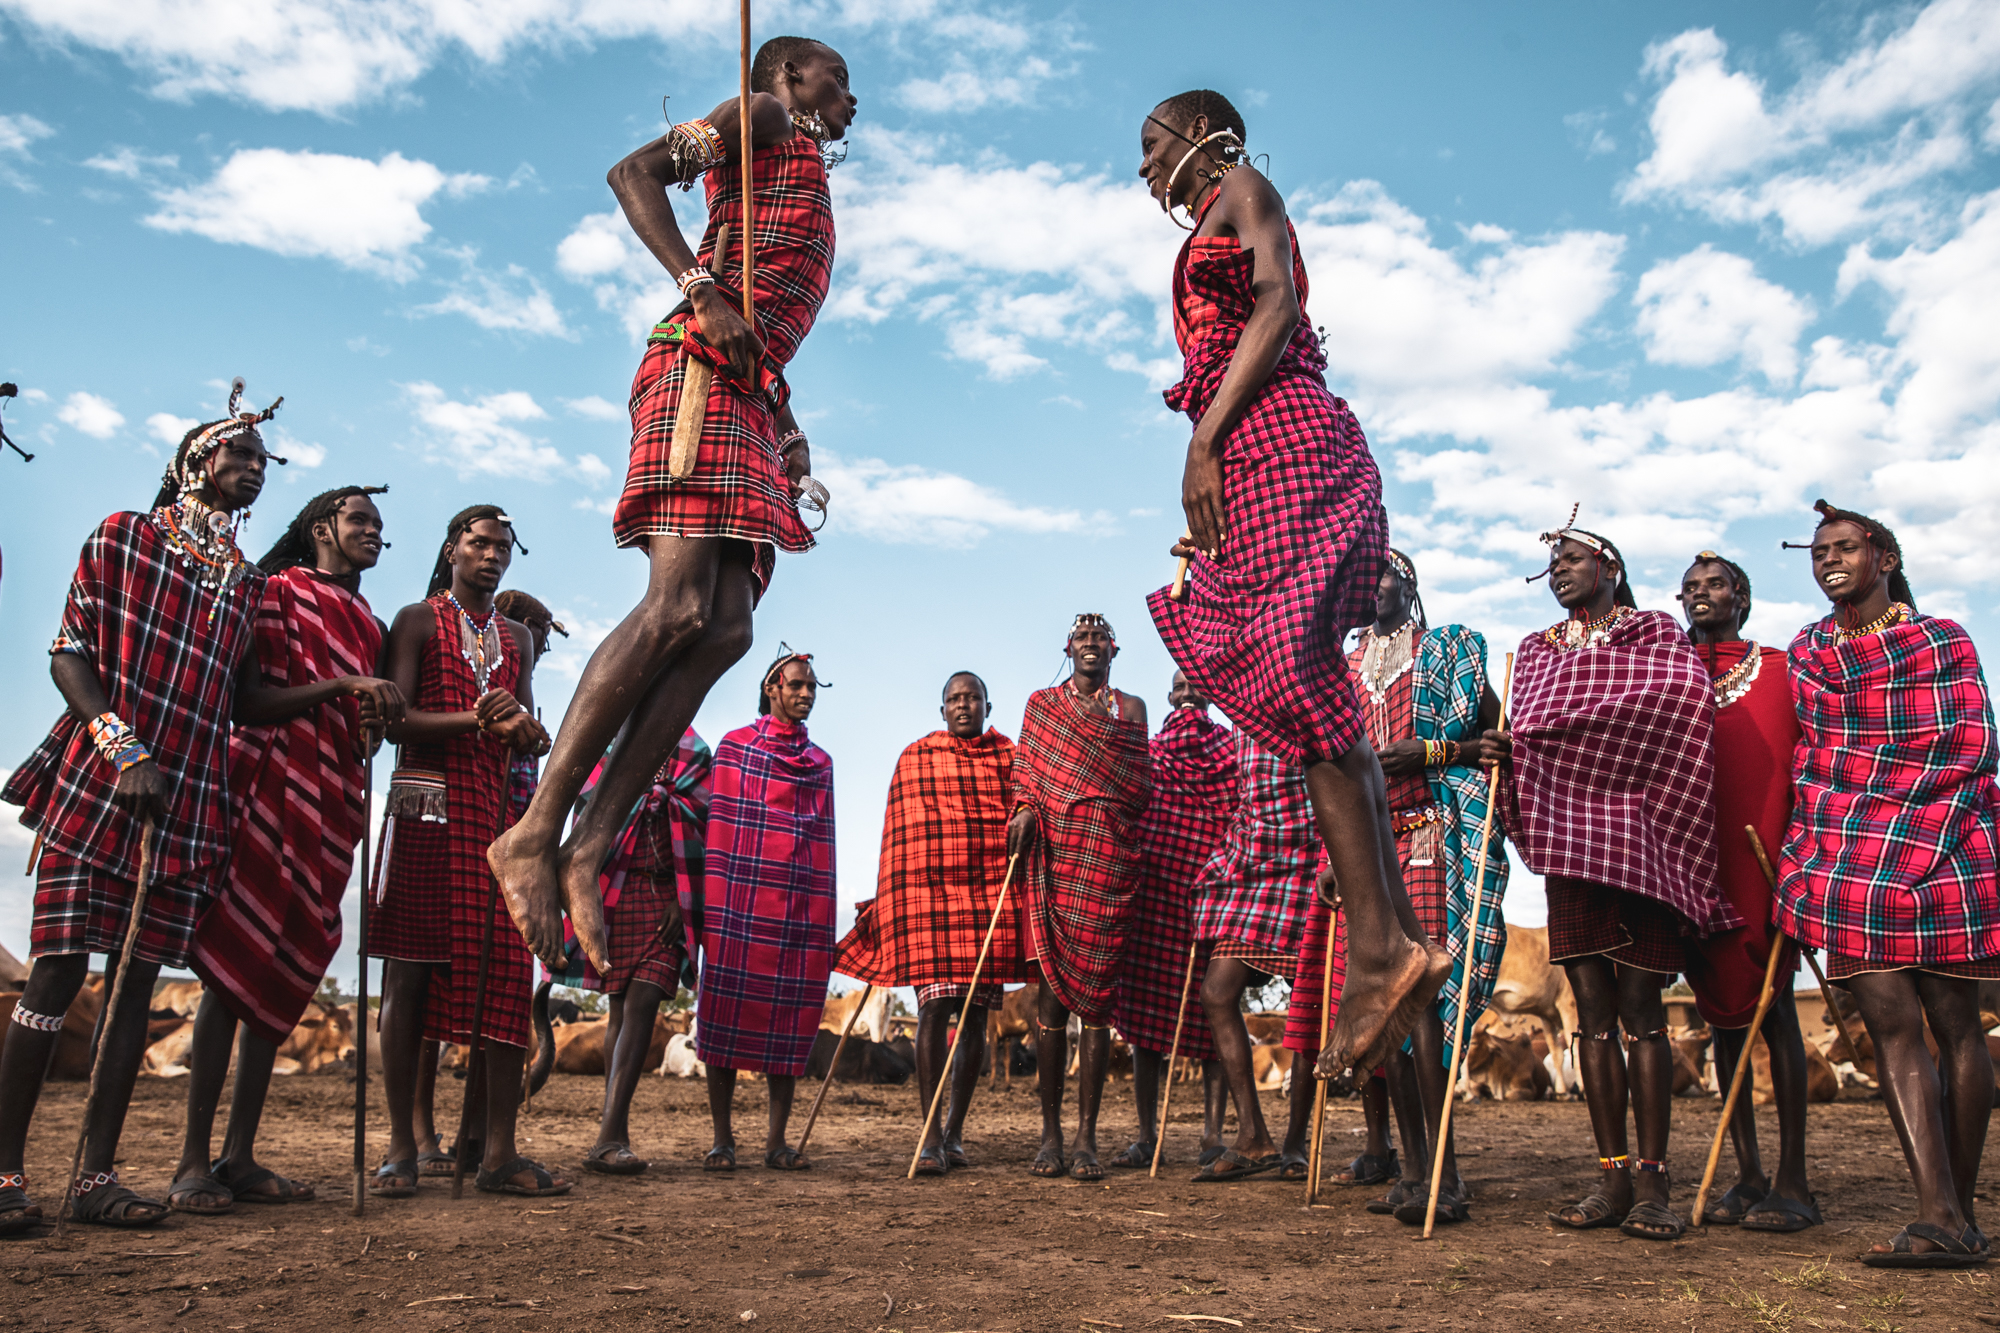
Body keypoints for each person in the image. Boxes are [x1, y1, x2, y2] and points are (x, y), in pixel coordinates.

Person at [488, 37, 857, 980]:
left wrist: (786, 412)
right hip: (694, 366)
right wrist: (700, 288)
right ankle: (534, 832)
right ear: (785, 78)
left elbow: (761, 319)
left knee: (727, 628)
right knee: (679, 604)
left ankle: (589, 842)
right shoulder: (761, 117)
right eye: (836, 78)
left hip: (745, 388)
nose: (850, 97)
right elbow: (632, 172)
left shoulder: (800, 161)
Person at [1138, 89, 1446, 1080]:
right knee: (1303, 687)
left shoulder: (1242, 186)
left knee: (1281, 667)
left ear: (1197, 136)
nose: (1143, 170)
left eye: (1151, 148)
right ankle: (1388, 940)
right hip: (1255, 443)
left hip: (1274, 436)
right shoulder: (1215, 210)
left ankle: (1380, 949)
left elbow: (1276, 303)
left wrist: (1203, 435)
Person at [1, 383, 284, 1231]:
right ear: (192, 463)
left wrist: (343, 694)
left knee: (134, 987)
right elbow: (68, 653)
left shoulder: (246, 582)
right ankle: (5, 1172)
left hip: (190, 797)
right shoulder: (122, 536)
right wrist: (123, 747)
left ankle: (93, 1179)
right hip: (102, 781)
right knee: (58, 970)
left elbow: (243, 699)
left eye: (263, 463)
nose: (252, 471)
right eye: (238, 455)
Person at [1485, 516, 1734, 1242]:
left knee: (1642, 1012)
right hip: (1569, 849)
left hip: (1642, 845)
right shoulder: (1535, 650)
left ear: (1611, 568)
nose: (1558, 570)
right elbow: (1533, 724)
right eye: (1551, 563)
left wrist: (1567, 735)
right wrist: (1515, 742)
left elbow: (1677, 707)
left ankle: (1655, 1182)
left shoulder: (1655, 635)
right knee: (1591, 1014)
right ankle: (1611, 1175)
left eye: (1571, 558)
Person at [168, 486, 409, 1215]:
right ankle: (189, 1161)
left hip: (330, 801)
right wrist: (342, 683)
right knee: (231, 967)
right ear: (321, 528)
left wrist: (371, 715)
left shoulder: (368, 619)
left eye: (378, 525)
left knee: (276, 974)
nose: (372, 532)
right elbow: (248, 702)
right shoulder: (276, 592)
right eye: (359, 519)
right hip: (270, 787)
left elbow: (371, 724)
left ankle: (238, 1154)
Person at [1777, 501, 2000, 1267]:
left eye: (1843, 546)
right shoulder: (1808, 652)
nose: (1828, 559)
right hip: (1846, 851)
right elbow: (1808, 748)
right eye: (1817, 551)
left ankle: (1957, 1212)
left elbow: (1971, 737)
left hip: (1943, 838)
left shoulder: (1941, 640)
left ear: (1885, 556)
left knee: (1955, 1021)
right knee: (1891, 1022)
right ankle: (1939, 1211)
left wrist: (1911, 806)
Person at [367, 506, 560, 1199]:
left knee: (508, 969)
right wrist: (479, 718)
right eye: (478, 542)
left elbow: (527, 728)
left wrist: (528, 733)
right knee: (411, 975)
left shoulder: (516, 639)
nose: (492, 555)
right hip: (427, 801)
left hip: (498, 810)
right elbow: (396, 720)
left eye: (503, 546)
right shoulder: (416, 620)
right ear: (452, 548)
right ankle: (400, 1148)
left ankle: (499, 1152)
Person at [1676, 552, 1818, 1233]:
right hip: (1693, 870)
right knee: (1721, 1018)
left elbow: (1812, 766)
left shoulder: (1782, 671)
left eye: (1716, 584)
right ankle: (1748, 1172)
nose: (1702, 595)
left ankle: (1794, 1181)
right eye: (1691, 588)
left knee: (1777, 1010)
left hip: (1763, 867)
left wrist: (1802, 860)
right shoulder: (1666, 674)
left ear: (1742, 595)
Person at [836, 671, 1020, 1176]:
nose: (964, 706)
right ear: (942, 710)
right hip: (929, 905)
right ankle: (930, 1136)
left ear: (988, 705)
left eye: (973, 698)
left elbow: (1025, 813)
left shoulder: (1010, 758)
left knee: (976, 1020)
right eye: (954, 699)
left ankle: (956, 1131)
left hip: (987, 899)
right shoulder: (916, 759)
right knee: (935, 1009)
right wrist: (890, 898)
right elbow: (899, 840)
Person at [1007, 614, 1152, 1180]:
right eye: (1082, 639)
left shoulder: (1131, 710)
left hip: (1109, 859)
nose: (1091, 646)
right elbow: (1025, 774)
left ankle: (1087, 1139)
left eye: (1100, 640)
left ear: (1114, 649)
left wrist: (1100, 801)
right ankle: (1050, 1136)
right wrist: (1022, 809)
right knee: (1049, 1004)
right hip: (1053, 859)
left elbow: (1140, 786)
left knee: (1095, 1006)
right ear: (1067, 648)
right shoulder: (1042, 707)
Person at [545, 725, 711, 1176]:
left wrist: (682, 899)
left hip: (668, 898)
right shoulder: (614, 747)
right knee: (619, 1013)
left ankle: (611, 1133)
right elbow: (588, 812)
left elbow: (706, 831)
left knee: (642, 1005)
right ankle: (610, 1130)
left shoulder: (695, 752)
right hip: (616, 891)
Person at [697, 651, 837, 1172]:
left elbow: (825, 846)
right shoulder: (734, 749)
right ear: (772, 688)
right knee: (723, 1019)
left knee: (791, 1022)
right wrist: (715, 910)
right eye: (797, 686)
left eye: (812, 688)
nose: (806, 694)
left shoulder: (820, 764)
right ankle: (722, 1139)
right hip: (739, 906)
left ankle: (777, 1141)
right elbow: (721, 833)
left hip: (798, 909)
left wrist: (821, 920)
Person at [1111, 670, 1233, 1171]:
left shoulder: (1230, 750)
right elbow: (1136, 804)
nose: (1187, 695)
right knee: (1142, 1024)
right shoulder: (1151, 749)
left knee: (1213, 1019)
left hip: (1207, 894)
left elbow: (1236, 812)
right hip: (1155, 893)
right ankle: (1145, 1135)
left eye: (1195, 688)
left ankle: (1212, 1135)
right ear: (1168, 697)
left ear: (1211, 695)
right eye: (1179, 688)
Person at [1186, 728, 1319, 1183]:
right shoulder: (1241, 717)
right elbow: (1244, 798)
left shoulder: (1317, 703)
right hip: (1252, 862)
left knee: (1308, 1003)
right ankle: (1253, 1137)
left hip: (1312, 861)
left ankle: (1297, 1144)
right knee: (1216, 993)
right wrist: (1222, 857)